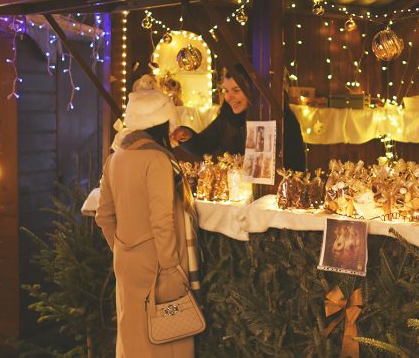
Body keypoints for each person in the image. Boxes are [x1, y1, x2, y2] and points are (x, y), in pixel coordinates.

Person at [96, 78, 199, 358]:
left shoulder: (116, 158)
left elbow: (104, 216)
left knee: (133, 340)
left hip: (127, 262)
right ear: (161, 123)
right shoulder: (157, 160)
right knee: (166, 342)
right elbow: (162, 220)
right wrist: (170, 268)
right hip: (158, 264)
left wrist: (121, 248)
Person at [171, 70, 306, 171]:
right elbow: (205, 145)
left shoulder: (281, 119)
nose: (229, 97)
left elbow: (295, 163)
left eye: (236, 90)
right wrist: (187, 137)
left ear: (253, 91)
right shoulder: (226, 117)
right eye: (226, 91)